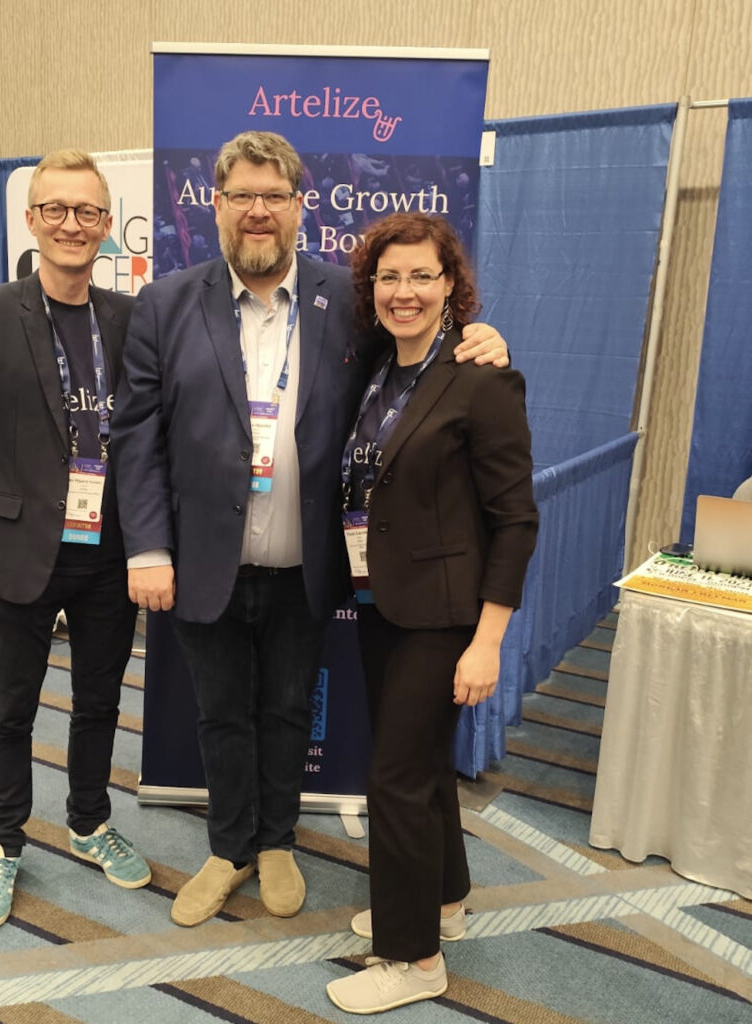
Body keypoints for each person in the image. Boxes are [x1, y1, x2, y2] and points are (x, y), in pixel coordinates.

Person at [111, 131, 509, 929]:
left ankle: (278, 841)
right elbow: (137, 433)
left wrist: (481, 338)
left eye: (274, 196)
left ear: (300, 206)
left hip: (309, 564)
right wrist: (147, 547)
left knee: (291, 710)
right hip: (203, 561)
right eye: (242, 196)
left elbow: (418, 358)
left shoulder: (348, 301)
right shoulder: (167, 303)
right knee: (221, 715)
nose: (258, 211)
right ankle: (230, 849)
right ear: (215, 205)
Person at [325, 213, 538, 1014]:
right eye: (389, 277)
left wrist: (488, 641)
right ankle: (441, 899)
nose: (404, 291)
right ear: (371, 288)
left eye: (421, 275)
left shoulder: (482, 378)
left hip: (444, 618)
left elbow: (515, 521)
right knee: (418, 769)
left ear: (451, 285)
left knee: (396, 780)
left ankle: (413, 959)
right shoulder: (381, 369)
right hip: (381, 601)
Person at [0, 149, 151, 930]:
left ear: (106, 225)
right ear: (32, 220)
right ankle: (3, 842)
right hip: (18, 552)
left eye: (87, 211)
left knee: (99, 701)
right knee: (11, 709)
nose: (71, 224)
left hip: (109, 552)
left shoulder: (128, 318)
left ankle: (89, 821)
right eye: (55, 209)